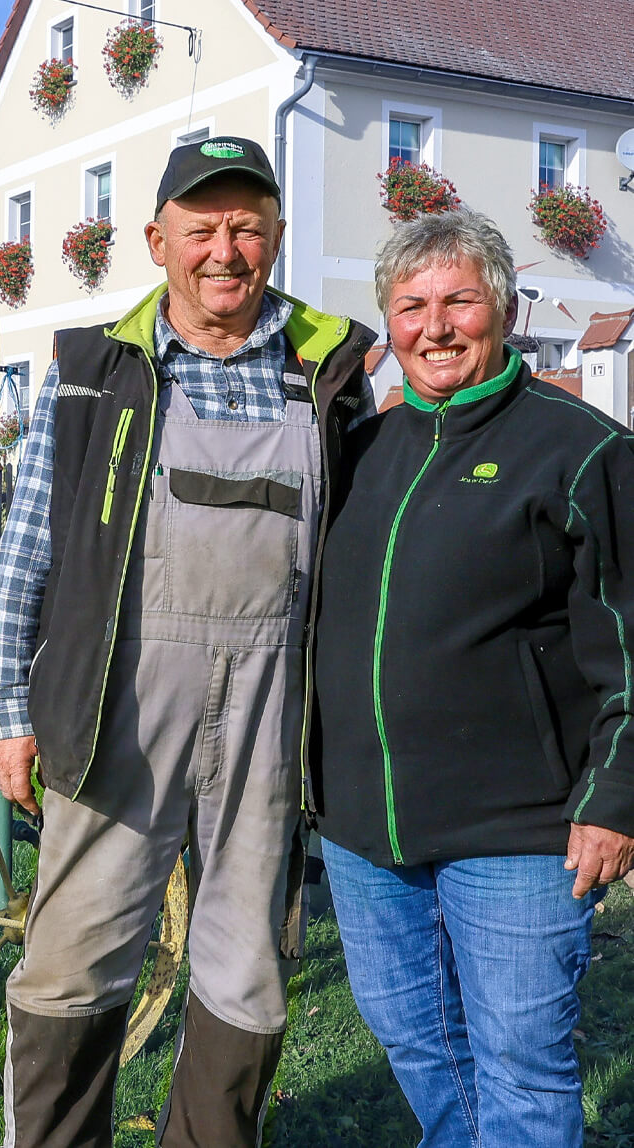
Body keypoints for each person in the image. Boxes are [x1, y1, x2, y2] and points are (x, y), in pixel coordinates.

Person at [0, 134, 376, 1148]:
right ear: (158, 240)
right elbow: (26, 556)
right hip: (119, 702)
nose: (225, 251)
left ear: (277, 239)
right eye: (201, 228)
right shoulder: (94, 369)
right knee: (74, 955)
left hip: (268, 712)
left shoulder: (329, 374)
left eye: (247, 228)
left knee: (247, 968)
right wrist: (6, 717)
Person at [311, 209, 634, 1147]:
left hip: (520, 831)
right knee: (421, 1048)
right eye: (410, 306)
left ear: (502, 308)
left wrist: (614, 799)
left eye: (459, 299)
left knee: (523, 1068)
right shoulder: (361, 452)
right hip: (365, 833)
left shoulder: (581, 450)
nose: (434, 326)